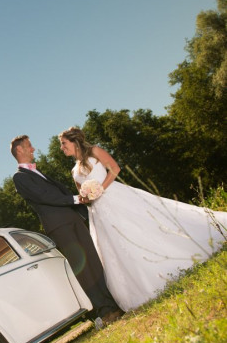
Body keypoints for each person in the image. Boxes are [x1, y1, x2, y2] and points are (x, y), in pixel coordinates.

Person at [58, 127, 227, 311]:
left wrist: (100, 189)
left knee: (143, 227)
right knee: (116, 246)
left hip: (116, 197)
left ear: (74, 141)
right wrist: (85, 197)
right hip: (99, 212)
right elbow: (82, 195)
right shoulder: (74, 170)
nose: (62, 148)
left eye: (63, 143)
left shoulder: (95, 151)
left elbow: (114, 168)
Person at [10, 135, 123, 324]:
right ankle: (105, 312)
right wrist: (76, 199)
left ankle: (113, 303)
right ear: (19, 150)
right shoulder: (19, 178)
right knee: (84, 269)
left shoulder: (38, 173)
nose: (33, 149)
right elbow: (44, 196)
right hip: (59, 226)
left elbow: (55, 192)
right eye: (29, 146)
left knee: (93, 260)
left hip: (72, 218)